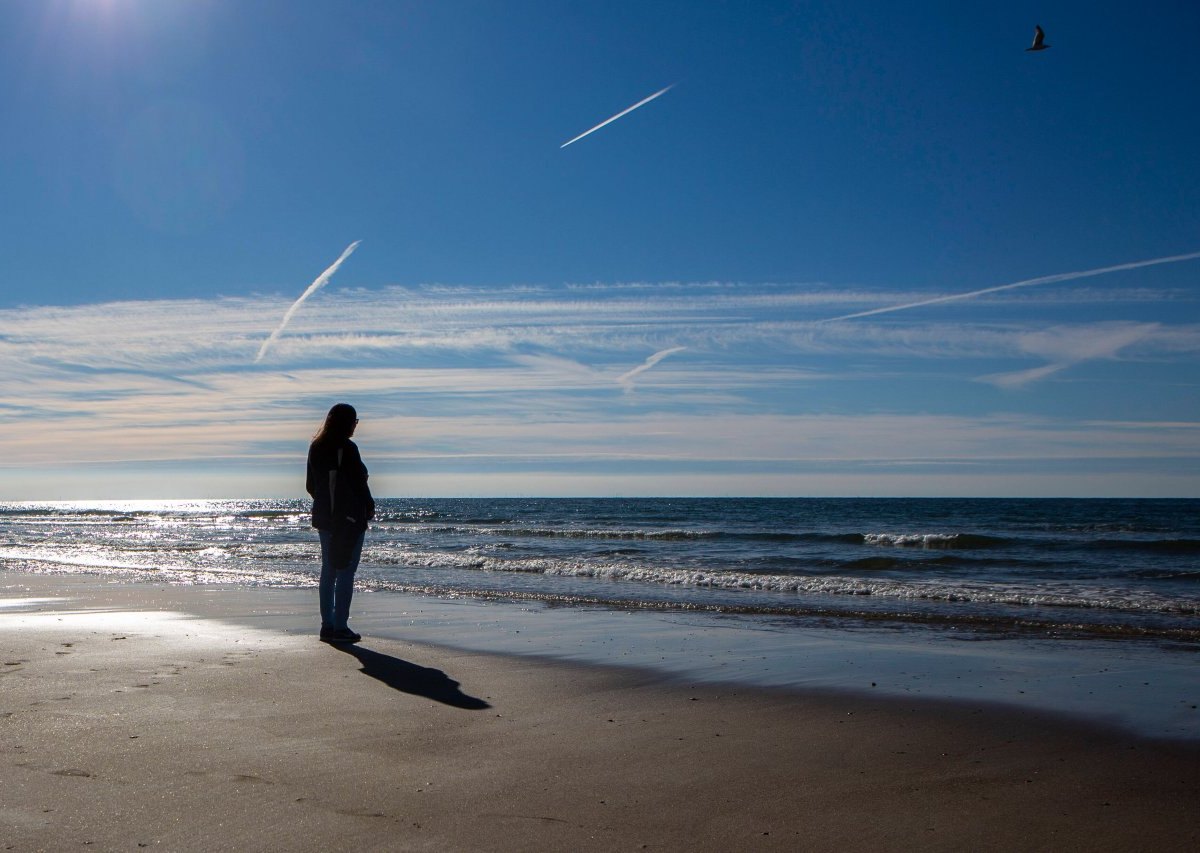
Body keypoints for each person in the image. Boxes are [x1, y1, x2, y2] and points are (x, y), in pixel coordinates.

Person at [306, 403, 375, 643]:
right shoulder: (348, 448)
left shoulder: (316, 447)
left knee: (329, 570)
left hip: (325, 517)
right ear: (347, 423)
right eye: (354, 421)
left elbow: (310, 485)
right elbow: (359, 484)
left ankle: (328, 625)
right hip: (348, 519)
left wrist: (326, 504)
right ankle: (340, 626)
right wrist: (368, 507)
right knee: (346, 571)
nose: (356, 426)